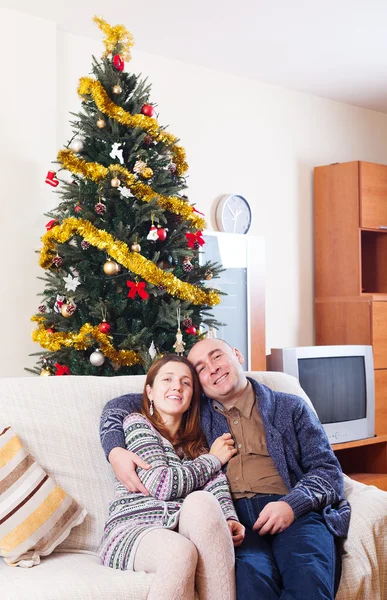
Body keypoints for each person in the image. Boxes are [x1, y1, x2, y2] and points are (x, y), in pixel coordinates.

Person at [100, 339, 351, 600]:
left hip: (292, 510)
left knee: (309, 582)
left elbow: (327, 470)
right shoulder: (194, 413)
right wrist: (114, 449)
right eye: (201, 368)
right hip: (236, 518)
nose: (213, 369)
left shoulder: (290, 407)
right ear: (200, 385)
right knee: (251, 585)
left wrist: (292, 505)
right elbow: (123, 405)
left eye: (217, 357)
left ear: (237, 355)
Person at [99, 354, 245, 600]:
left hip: (180, 528)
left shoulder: (198, 445)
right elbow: (162, 484)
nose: (177, 386)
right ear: (150, 392)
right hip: (134, 530)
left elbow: (216, 487)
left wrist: (229, 519)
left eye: (186, 383)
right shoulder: (137, 424)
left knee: (202, 502)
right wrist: (213, 459)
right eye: (167, 379)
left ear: (191, 398)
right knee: (180, 551)